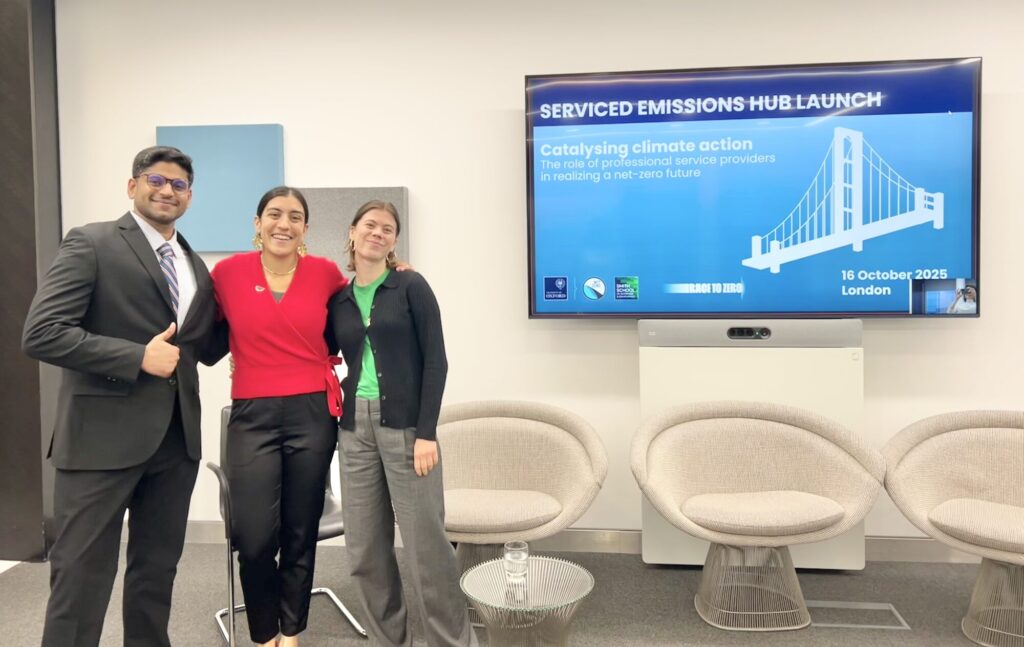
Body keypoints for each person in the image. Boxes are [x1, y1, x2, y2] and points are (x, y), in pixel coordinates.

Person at [22, 146, 220, 647]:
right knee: (81, 581)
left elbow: (207, 344)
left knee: (155, 579)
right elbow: (42, 333)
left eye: (178, 185)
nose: (166, 190)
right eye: (156, 179)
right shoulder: (92, 242)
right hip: (99, 446)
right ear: (132, 186)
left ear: (189, 198)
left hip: (175, 445)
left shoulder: (194, 263)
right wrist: (135, 357)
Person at [328, 200, 477, 647]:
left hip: (407, 429)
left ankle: (450, 641)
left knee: (426, 549)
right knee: (364, 549)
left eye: (388, 229)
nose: (378, 233)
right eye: (370, 225)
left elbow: (437, 362)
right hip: (354, 429)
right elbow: (320, 352)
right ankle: (388, 639)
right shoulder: (337, 299)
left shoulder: (411, 286)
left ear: (394, 241)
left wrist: (426, 432)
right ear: (352, 232)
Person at [209, 186, 348, 647]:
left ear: (306, 228)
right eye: (274, 214)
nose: (283, 224)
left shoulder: (325, 273)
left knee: (300, 530)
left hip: (312, 412)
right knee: (253, 537)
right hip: (252, 413)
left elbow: (364, 306)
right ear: (257, 223)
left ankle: (290, 632)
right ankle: (263, 632)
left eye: (294, 216)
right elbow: (201, 331)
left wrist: (396, 271)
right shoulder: (228, 273)